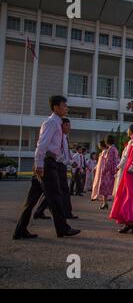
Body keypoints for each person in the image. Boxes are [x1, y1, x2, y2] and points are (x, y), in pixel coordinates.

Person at [13, 96, 80, 239]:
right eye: (64, 106)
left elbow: (56, 150)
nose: (66, 108)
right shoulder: (52, 123)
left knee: (32, 199)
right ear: (56, 107)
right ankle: (63, 228)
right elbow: (42, 145)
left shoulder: (58, 123)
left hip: (50, 161)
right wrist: (39, 164)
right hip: (47, 164)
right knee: (55, 196)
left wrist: (65, 161)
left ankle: (20, 230)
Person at [33, 118, 78, 220]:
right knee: (62, 191)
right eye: (68, 125)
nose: (70, 128)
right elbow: (57, 153)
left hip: (59, 164)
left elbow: (66, 153)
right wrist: (38, 163)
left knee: (52, 191)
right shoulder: (57, 132)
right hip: (56, 164)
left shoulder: (64, 137)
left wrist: (71, 161)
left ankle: (40, 211)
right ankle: (66, 213)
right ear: (64, 125)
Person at [113, 125, 133, 197]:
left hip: (125, 166)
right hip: (130, 166)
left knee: (122, 187)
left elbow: (125, 156)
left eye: (128, 130)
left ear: (131, 131)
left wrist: (118, 166)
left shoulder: (131, 142)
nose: (127, 131)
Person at [98, 135, 119, 210]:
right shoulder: (115, 149)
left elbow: (109, 162)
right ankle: (108, 203)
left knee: (105, 187)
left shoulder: (110, 149)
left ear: (106, 142)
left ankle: (105, 203)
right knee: (114, 188)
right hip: (115, 170)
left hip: (109, 172)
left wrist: (104, 170)